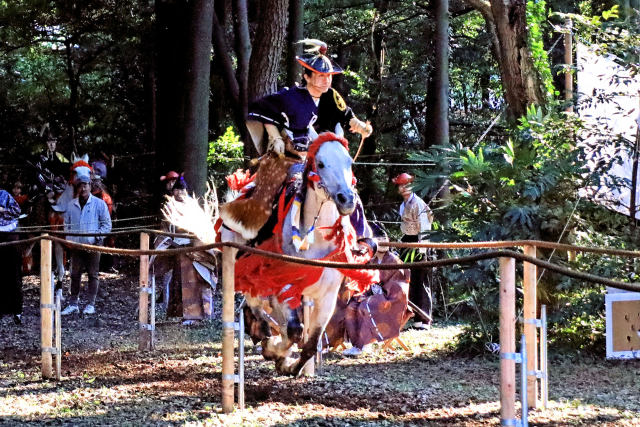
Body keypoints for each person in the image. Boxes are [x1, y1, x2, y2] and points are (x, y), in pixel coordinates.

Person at [221, 39, 372, 240]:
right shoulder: (290, 97)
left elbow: (347, 116)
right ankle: (253, 234)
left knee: (348, 184)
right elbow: (262, 110)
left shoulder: (331, 96)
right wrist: (275, 136)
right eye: (320, 76)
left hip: (321, 158)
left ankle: (361, 235)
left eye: (328, 76)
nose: (326, 80)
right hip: (289, 156)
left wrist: (360, 125)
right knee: (270, 186)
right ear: (306, 76)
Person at [323, 223, 412, 356]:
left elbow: (400, 286)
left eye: (384, 239)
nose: (382, 243)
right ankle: (356, 345)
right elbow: (361, 280)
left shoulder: (394, 261)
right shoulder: (370, 260)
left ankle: (364, 344)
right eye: (379, 240)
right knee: (351, 307)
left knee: (365, 307)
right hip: (370, 294)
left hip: (391, 299)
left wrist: (380, 292)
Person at [61, 169, 112, 315]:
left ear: (90, 186)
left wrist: (97, 237)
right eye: (80, 186)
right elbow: (67, 225)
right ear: (77, 188)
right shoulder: (71, 205)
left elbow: (106, 224)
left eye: (86, 185)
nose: (83, 188)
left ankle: (91, 304)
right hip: (76, 246)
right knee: (75, 274)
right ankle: (73, 303)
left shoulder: (99, 204)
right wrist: (70, 240)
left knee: (93, 274)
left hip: (93, 245)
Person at [392, 172, 434, 329]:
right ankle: (415, 317)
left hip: (419, 241)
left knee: (421, 280)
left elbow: (425, 226)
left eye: (406, 185)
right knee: (409, 279)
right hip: (407, 241)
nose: (403, 188)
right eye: (401, 185)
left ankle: (425, 320)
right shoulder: (403, 205)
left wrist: (422, 248)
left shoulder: (418, 203)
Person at [0, 188, 23, 324]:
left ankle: (17, 310)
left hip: (10, 237)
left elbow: (17, 211)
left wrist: (2, 211)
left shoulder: (4, 194)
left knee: (14, 275)